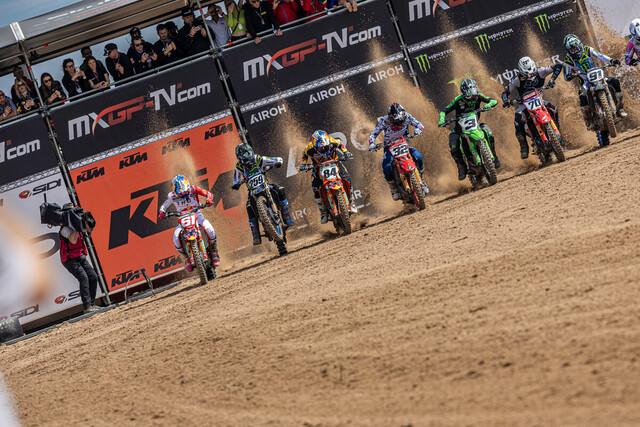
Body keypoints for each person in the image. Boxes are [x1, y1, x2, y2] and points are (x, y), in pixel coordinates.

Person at [231, 144, 294, 245]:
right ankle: (256, 235)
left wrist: (278, 162)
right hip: (252, 192)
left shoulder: (258, 159)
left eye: (247, 153)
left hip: (265, 186)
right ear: (239, 157)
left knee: (280, 190)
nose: (246, 156)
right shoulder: (239, 167)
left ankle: (287, 217)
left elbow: (275, 160)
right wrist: (236, 184)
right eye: (243, 154)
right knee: (249, 207)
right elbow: (235, 180)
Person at [501, 56, 562, 159]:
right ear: (521, 71)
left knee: (553, 109)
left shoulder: (540, 71)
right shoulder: (516, 80)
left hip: (539, 99)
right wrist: (506, 101)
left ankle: (559, 132)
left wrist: (552, 80)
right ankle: (524, 147)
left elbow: (558, 66)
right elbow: (505, 92)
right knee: (517, 120)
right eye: (526, 74)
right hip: (524, 104)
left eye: (531, 72)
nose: (530, 75)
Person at [439, 79, 499, 180]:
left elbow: (493, 100)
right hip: (460, 129)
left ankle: (495, 157)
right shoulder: (458, 100)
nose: (472, 98)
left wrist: (489, 105)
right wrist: (442, 119)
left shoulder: (478, 95)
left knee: (488, 132)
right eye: (470, 96)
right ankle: (462, 167)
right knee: (454, 144)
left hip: (475, 126)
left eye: (474, 95)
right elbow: (444, 111)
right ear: (464, 93)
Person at [562, 33, 627, 127]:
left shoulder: (587, 49)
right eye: (572, 49)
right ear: (568, 50)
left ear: (579, 44)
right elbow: (566, 75)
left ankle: (620, 108)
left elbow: (600, 56)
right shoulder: (568, 59)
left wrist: (611, 61)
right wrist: (570, 75)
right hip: (585, 82)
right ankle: (588, 120)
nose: (575, 50)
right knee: (582, 96)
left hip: (598, 76)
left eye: (576, 47)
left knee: (615, 82)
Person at [158, 175, 221, 268]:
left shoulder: (193, 189)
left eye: (185, 193)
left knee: (210, 229)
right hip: (182, 218)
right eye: (180, 194)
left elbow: (208, 193)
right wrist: (162, 212)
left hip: (197, 215)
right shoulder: (172, 195)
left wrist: (209, 199)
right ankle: (187, 258)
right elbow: (165, 205)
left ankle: (214, 251)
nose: (182, 196)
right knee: (176, 238)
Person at [368, 103, 427, 200]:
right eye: (396, 122)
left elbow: (419, 125)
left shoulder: (407, 116)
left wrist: (418, 130)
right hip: (389, 145)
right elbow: (373, 135)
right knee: (386, 166)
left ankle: (421, 179)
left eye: (401, 121)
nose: (399, 124)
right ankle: (393, 188)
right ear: (390, 118)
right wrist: (372, 144)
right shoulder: (383, 121)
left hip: (404, 141)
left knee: (418, 156)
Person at [300, 130, 357, 224]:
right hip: (319, 167)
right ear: (315, 146)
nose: (323, 149)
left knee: (347, 178)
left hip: (335, 163)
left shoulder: (332, 141)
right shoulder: (309, 148)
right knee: (315, 187)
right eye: (320, 148)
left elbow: (341, 145)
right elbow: (304, 155)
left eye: (325, 147)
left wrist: (346, 152)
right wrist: (304, 164)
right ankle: (323, 212)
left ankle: (352, 202)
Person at [59, 203, 100, 314]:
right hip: (69, 259)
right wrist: (77, 226)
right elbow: (73, 240)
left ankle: (92, 304)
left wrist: (85, 222)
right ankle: (87, 307)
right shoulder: (64, 229)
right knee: (83, 278)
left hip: (79, 256)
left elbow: (89, 230)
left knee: (93, 277)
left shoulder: (80, 225)